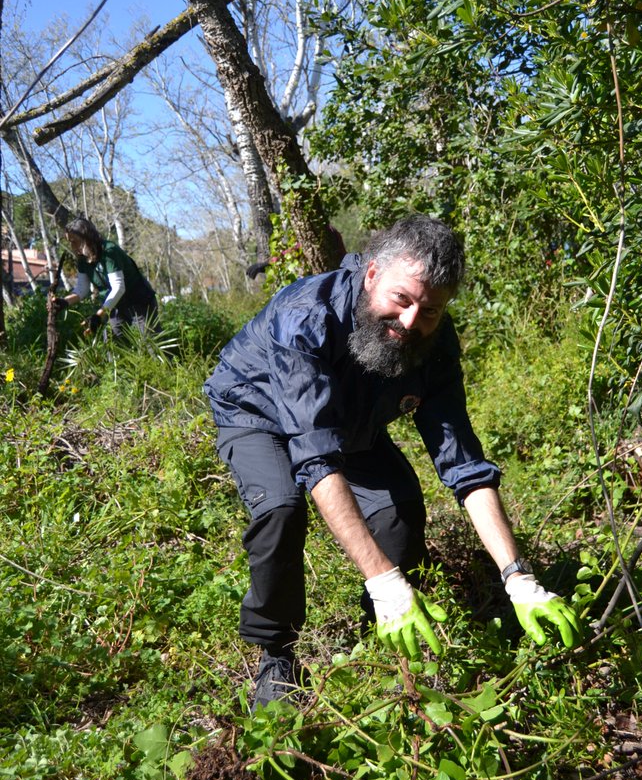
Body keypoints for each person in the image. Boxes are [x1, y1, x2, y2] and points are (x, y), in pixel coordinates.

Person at [204, 214, 580, 710]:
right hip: (259, 410)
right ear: (373, 273)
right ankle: (277, 655)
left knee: (399, 510)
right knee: (280, 511)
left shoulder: (433, 342)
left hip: (349, 419)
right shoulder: (305, 316)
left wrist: (519, 577)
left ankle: (376, 633)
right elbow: (315, 457)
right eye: (402, 300)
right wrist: (382, 578)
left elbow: (464, 463)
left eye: (429, 311)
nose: (410, 322)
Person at [55, 217, 160, 340]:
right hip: (114, 305)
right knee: (113, 345)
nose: (72, 246)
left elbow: (118, 287)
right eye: (70, 242)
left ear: (86, 238)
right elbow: (82, 289)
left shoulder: (109, 252)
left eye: (74, 241)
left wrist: (99, 315)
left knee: (151, 344)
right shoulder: (82, 259)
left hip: (138, 301)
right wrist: (63, 302)